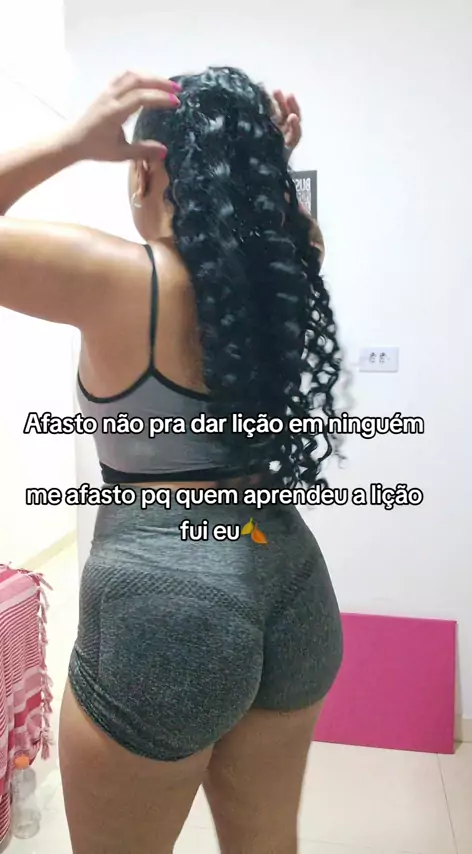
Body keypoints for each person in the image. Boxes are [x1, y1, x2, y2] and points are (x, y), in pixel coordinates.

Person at [0, 67, 343, 854]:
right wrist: (269, 165)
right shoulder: (286, 273)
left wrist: (69, 143)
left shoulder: (119, 275)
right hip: (289, 575)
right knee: (268, 842)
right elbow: (285, 230)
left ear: (143, 171)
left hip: (164, 598)